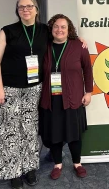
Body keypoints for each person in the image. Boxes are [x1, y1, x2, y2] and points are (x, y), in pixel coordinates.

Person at [0, 0, 47, 189]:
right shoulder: (7, 31)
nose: (25, 9)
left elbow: (63, 36)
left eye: (29, 6)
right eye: (21, 7)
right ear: (17, 10)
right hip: (10, 88)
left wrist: (78, 38)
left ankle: (29, 168)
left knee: (30, 130)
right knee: (9, 131)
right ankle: (12, 171)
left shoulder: (44, 30)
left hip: (34, 88)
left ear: (36, 9)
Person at [39, 14, 93, 179]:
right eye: (56, 26)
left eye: (63, 27)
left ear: (69, 29)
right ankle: (57, 164)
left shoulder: (79, 46)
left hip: (73, 97)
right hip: (51, 98)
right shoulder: (44, 46)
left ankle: (77, 163)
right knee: (54, 133)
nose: (59, 30)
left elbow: (87, 69)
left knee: (74, 133)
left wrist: (89, 92)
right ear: (51, 29)